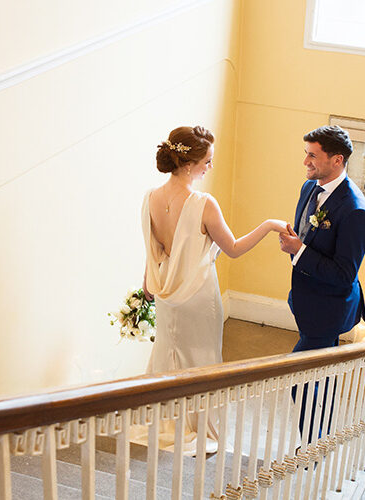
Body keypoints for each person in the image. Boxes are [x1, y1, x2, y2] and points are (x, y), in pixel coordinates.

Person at [141, 125, 287, 453]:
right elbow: (233, 248)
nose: (210, 167)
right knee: (202, 360)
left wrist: (148, 285)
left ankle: (162, 423)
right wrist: (268, 225)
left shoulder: (151, 198)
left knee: (168, 352)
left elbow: (154, 251)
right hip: (198, 295)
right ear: (190, 163)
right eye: (207, 161)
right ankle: (197, 427)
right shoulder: (203, 203)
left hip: (166, 293)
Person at [278, 125, 365, 439]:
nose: (306, 161)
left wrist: (299, 251)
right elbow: (308, 237)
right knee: (322, 374)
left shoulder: (356, 212)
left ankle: (312, 447)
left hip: (329, 308)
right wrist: (297, 245)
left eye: (312, 155)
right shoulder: (310, 188)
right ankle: (326, 434)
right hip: (306, 300)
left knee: (298, 375)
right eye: (306, 153)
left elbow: (344, 273)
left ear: (337, 160)